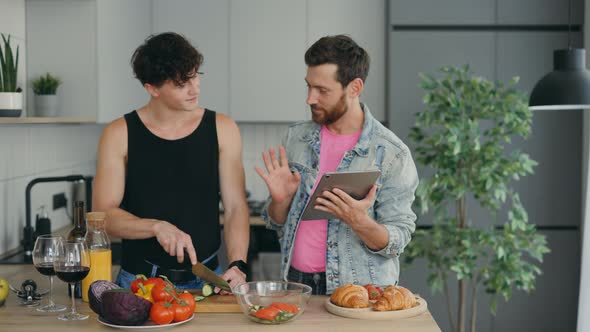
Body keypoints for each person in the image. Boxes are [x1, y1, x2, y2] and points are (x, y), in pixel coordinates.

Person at [256, 35, 418, 295]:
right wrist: (280, 202)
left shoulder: (391, 153)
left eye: (322, 90)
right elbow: (276, 222)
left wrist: (358, 221)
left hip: (357, 290)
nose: (310, 98)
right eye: (308, 86)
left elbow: (398, 239)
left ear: (354, 88)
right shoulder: (296, 138)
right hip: (296, 284)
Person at [93, 32, 249, 291]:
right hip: (140, 284)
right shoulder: (118, 133)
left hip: (209, 280)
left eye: (195, 75)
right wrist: (155, 227)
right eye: (181, 83)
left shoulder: (223, 128)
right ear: (151, 88)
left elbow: (235, 207)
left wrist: (238, 264)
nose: (194, 88)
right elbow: (102, 217)